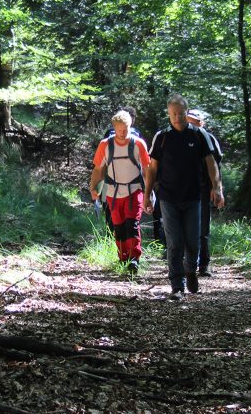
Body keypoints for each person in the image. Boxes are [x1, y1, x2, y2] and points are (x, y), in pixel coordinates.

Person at [143, 95, 224, 298]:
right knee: (174, 242)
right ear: (169, 114)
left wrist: (217, 188)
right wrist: (146, 195)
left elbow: (211, 162)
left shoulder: (198, 135)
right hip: (168, 197)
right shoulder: (161, 137)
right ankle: (177, 285)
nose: (177, 118)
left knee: (193, 242)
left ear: (187, 113)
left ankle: (190, 271)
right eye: (173, 114)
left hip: (194, 197)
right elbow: (152, 168)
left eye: (180, 113)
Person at [90, 110, 151, 274]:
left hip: (134, 191)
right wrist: (93, 188)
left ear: (130, 126)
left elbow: (147, 170)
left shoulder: (138, 144)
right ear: (114, 128)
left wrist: (149, 193)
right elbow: (98, 169)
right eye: (119, 129)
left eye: (125, 129)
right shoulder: (105, 145)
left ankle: (134, 259)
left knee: (132, 224)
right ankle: (123, 258)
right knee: (119, 226)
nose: (122, 133)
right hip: (113, 193)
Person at [186, 109, 223, 277]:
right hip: (183, 190)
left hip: (202, 190)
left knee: (202, 229)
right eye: (188, 120)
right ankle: (187, 264)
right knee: (184, 229)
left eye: (194, 120)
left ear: (202, 123)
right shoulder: (179, 137)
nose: (190, 123)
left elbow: (215, 166)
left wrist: (217, 188)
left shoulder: (208, 139)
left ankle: (204, 264)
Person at [97, 107, 142, 232]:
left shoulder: (109, 133)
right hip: (124, 182)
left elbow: (101, 163)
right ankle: (119, 241)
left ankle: (112, 238)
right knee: (123, 215)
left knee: (108, 211)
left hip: (108, 181)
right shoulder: (137, 134)